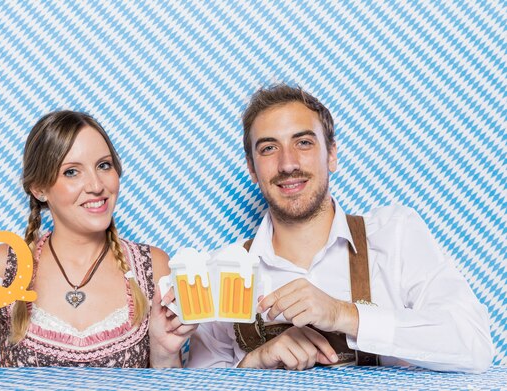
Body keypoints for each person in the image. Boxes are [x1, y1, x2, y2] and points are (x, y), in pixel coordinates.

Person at [188, 84, 494, 373]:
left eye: (304, 142)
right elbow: (197, 384)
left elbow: (473, 343)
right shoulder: (220, 271)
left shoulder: (394, 235)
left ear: (331, 154)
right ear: (252, 169)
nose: (287, 164)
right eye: (269, 148)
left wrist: (344, 315)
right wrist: (253, 364)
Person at [0, 110, 195, 367]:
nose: (96, 185)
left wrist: (164, 353)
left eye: (104, 165)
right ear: (39, 188)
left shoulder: (153, 266)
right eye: (72, 172)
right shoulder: (3, 267)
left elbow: (167, 378)